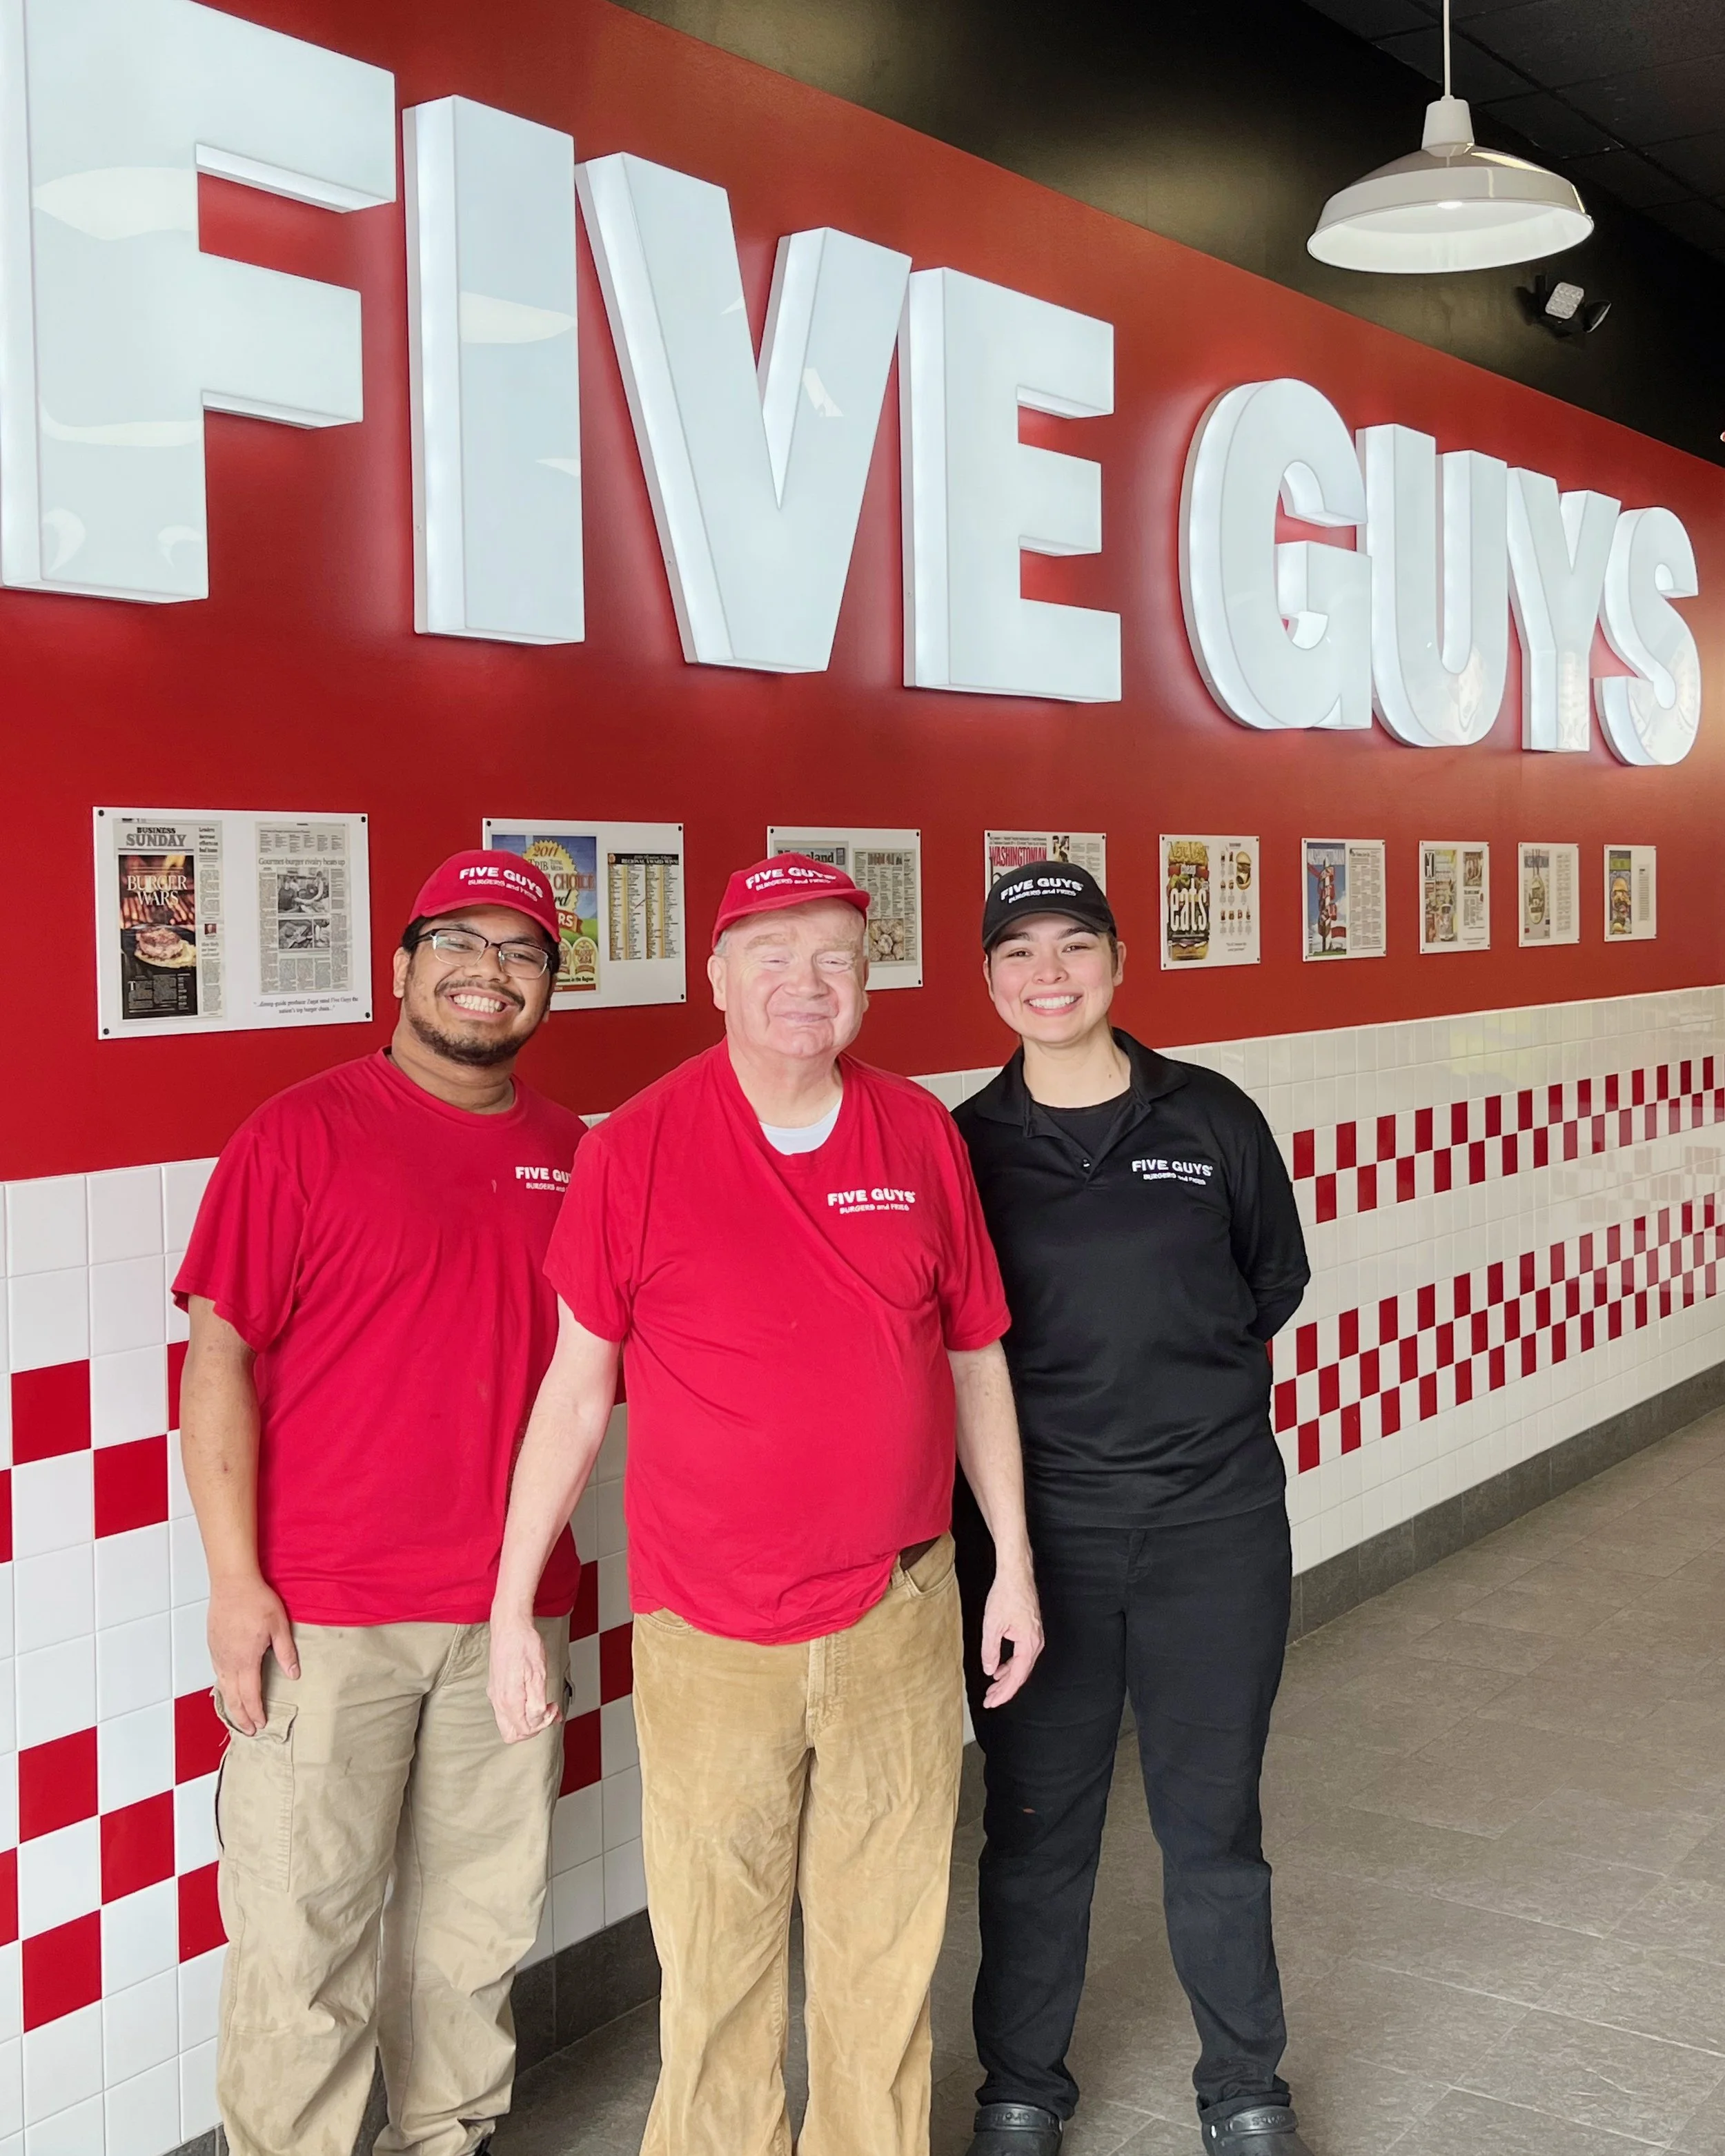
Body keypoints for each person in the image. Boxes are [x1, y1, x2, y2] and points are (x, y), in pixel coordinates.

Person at [487, 853, 1044, 2156]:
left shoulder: (917, 1133)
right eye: (774, 956)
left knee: (884, 1953)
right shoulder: (635, 1148)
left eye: (836, 958)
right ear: (718, 979)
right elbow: (574, 1392)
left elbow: (975, 1358)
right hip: (709, 1632)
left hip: (900, 1608)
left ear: (867, 983)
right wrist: (512, 1607)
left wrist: (1011, 1564)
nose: (808, 983)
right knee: (718, 1963)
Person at [175, 849, 586, 2156]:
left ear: (547, 986)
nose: (488, 972)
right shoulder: (298, 1134)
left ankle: (447, 2139)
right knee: (303, 1941)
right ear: (402, 967)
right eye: (458, 943)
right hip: (325, 1617)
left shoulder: (572, 1154)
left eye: (520, 952)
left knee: (477, 1929)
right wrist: (235, 1585)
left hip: (510, 1614)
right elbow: (217, 1361)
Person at [952, 863, 1313, 2156]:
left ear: (1117, 961)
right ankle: (1020, 2089)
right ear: (989, 979)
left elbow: (1270, 1281)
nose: (1048, 974)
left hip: (1215, 1528)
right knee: (1034, 1824)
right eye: (1020, 953)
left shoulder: (1211, 1115)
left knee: (1214, 1823)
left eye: (1074, 946)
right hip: (1032, 1542)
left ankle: (1246, 2089)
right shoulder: (963, 1144)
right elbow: (951, 1339)